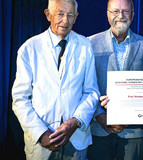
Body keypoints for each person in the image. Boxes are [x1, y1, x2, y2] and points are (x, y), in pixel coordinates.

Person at [11, 0, 100, 159]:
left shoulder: (85, 46)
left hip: (76, 140)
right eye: (60, 14)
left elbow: (91, 92)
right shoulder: (29, 48)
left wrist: (75, 121)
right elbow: (20, 98)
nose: (65, 20)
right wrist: (40, 133)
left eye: (70, 15)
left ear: (76, 17)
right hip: (41, 143)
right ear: (48, 15)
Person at [87, 0, 143, 159]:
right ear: (108, 14)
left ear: (133, 14)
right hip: (98, 129)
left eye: (126, 11)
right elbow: (84, 86)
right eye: (115, 11)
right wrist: (99, 114)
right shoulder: (89, 44)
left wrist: (131, 115)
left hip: (135, 132)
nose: (121, 16)